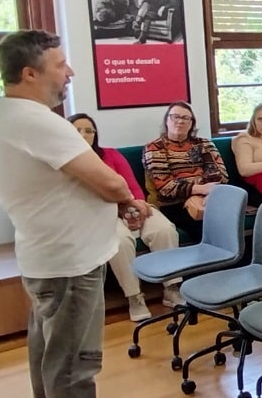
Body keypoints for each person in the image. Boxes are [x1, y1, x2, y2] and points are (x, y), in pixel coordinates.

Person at [0, 30, 146, 398]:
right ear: (30, 73)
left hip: (49, 256)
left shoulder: (11, 117)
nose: (70, 72)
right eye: (61, 64)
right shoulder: (37, 120)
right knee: (72, 362)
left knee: (48, 355)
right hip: (68, 262)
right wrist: (131, 202)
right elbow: (110, 181)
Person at [70, 112, 181, 320]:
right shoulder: (68, 163)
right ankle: (134, 297)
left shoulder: (111, 154)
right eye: (77, 130)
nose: (84, 135)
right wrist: (119, 209)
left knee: (164, 230)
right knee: (120, 241)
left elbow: (132, 185)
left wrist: (138, 205)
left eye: (89, 131)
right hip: (102, 213)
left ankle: (172, 287)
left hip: (132, 203)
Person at [143, 102, 229, 243]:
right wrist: (200, 188)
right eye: (175, 117)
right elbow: (166, 187)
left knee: (230, 215)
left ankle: (235, 259)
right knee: (206, 225)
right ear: (166, 120)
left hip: (209, 197)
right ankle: (212, 262)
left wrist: (206, 192)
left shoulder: (204, 144)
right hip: (174, 204)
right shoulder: (155, 148)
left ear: (191, 123)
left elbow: (221, 175)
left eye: (185, 118)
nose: (180, 121)